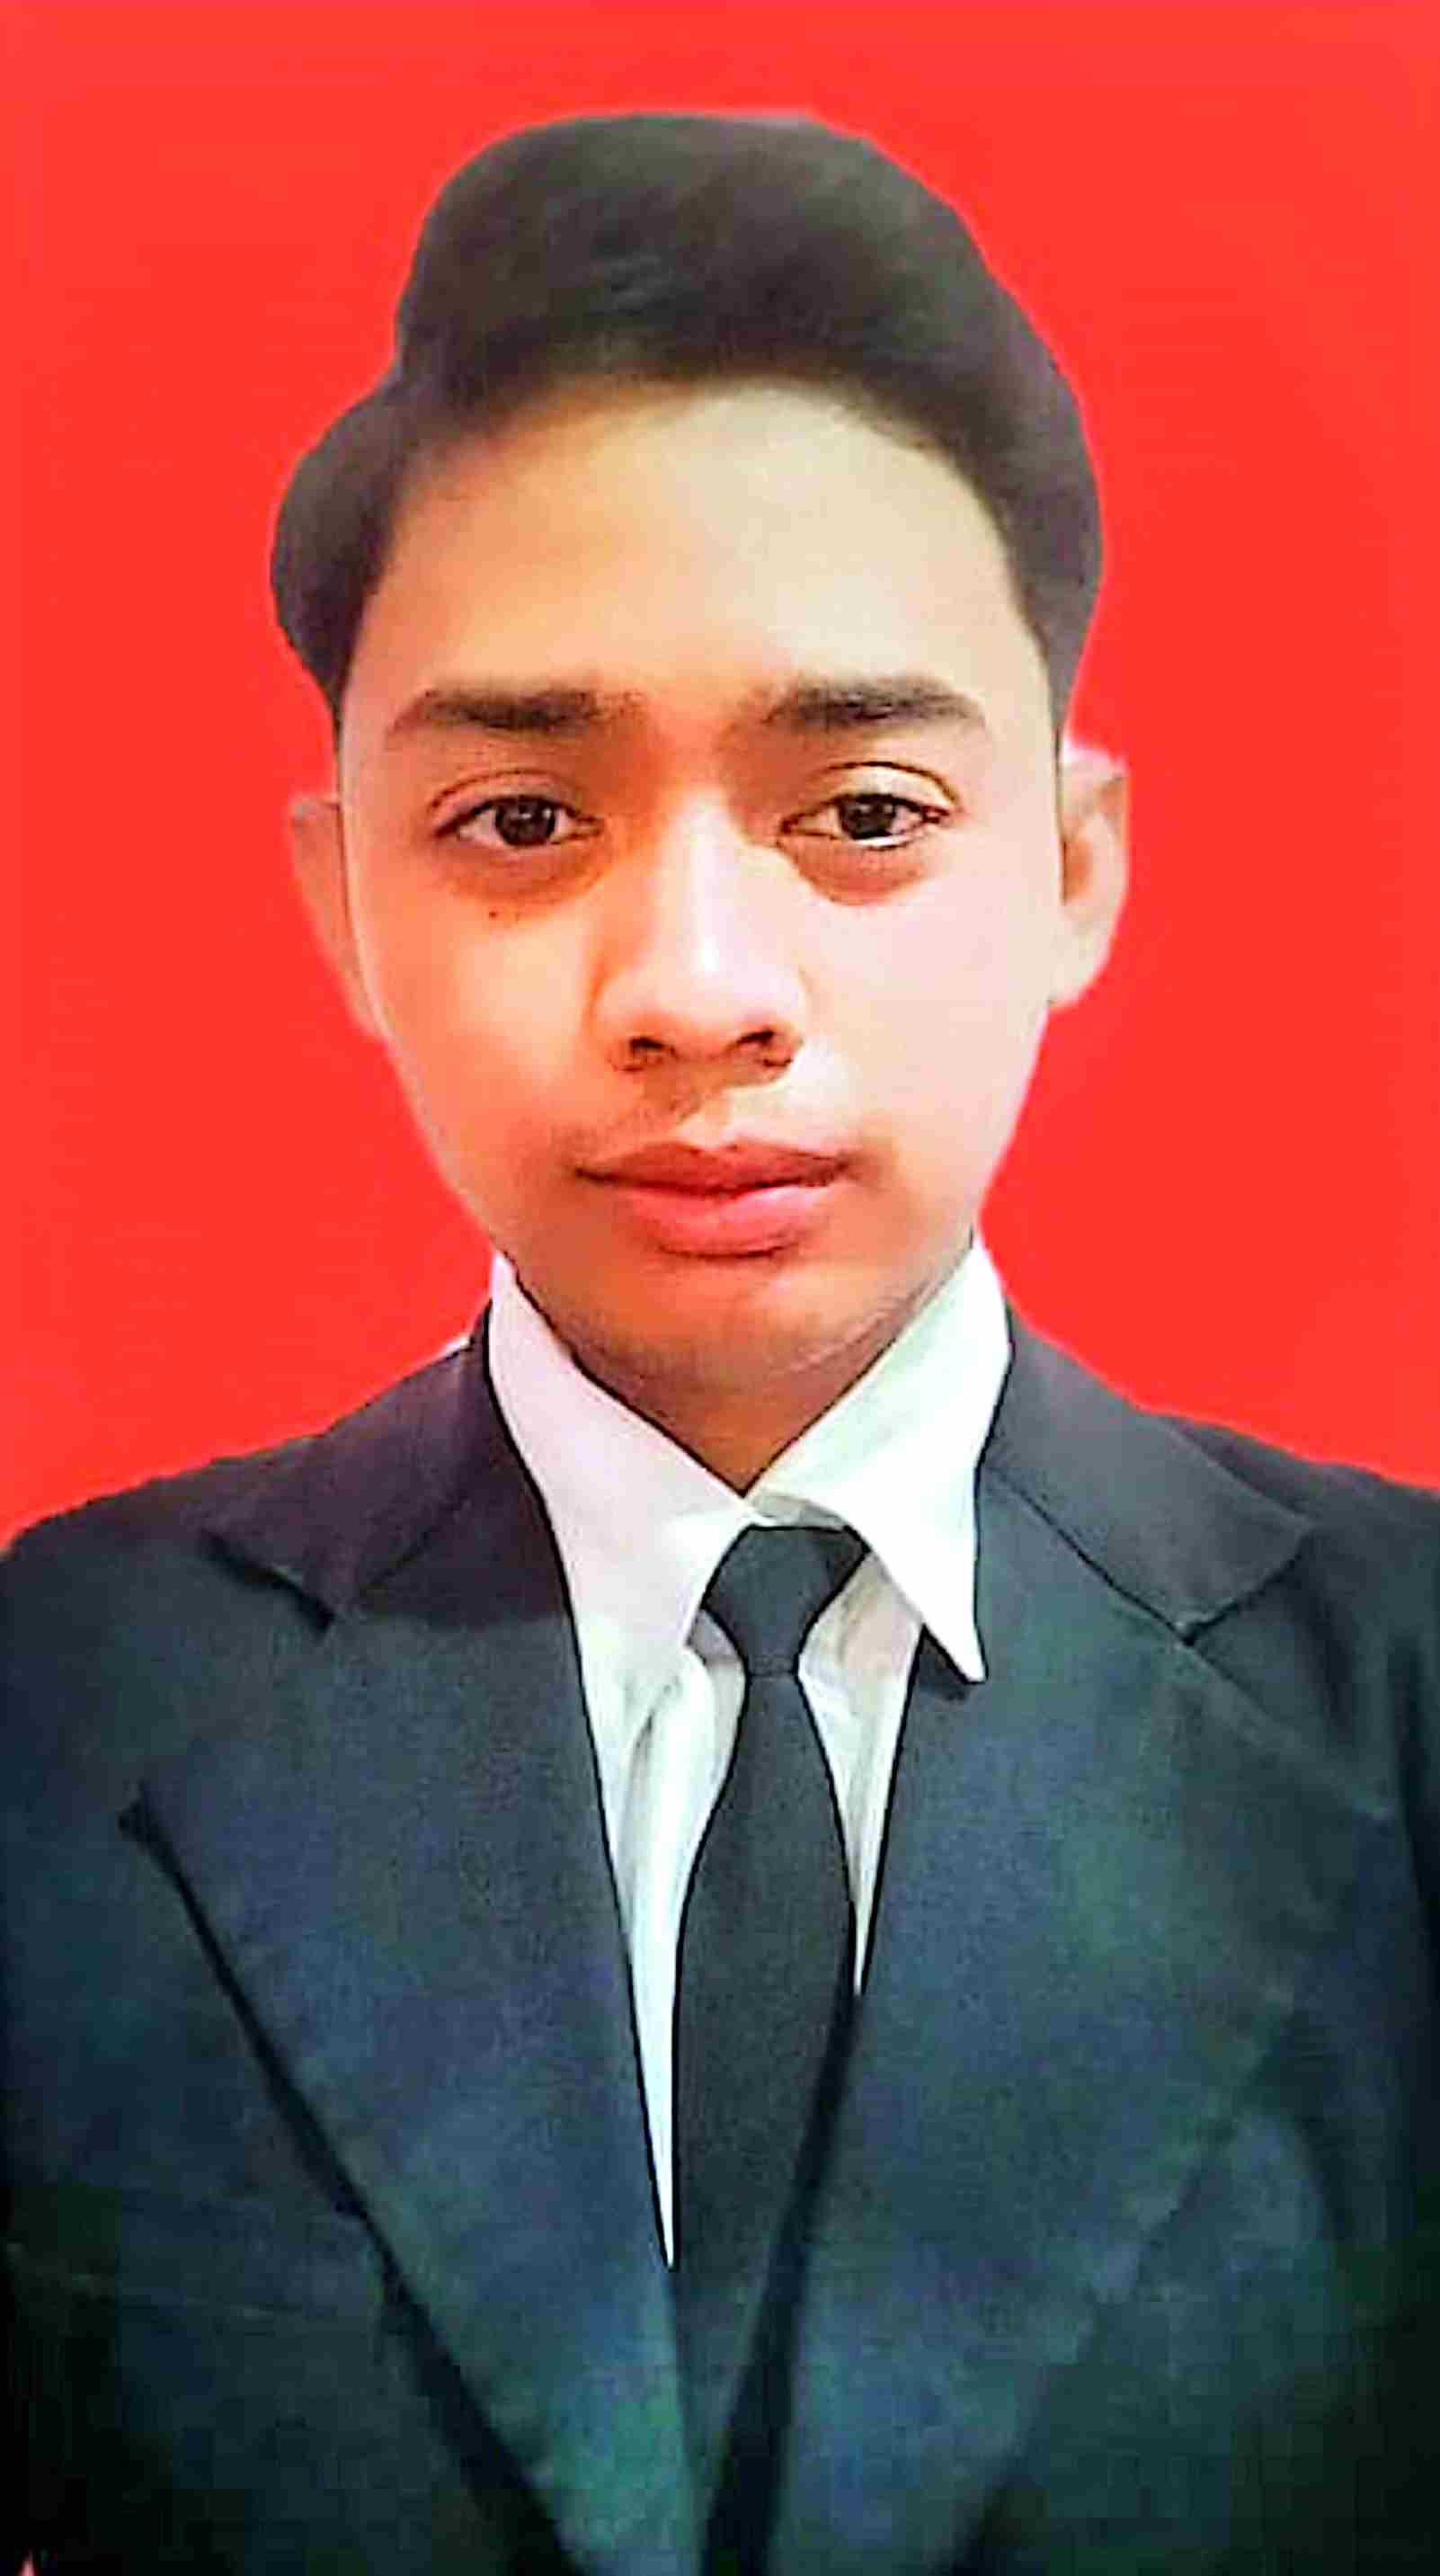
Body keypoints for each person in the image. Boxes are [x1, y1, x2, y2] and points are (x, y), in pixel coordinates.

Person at [4, 109, 1437, 2576]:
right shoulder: (60, 1701)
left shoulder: (1407, 1684)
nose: (694, 988)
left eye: (861, 811)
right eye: (521, 820)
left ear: (1070, 868)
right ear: (344, 904)